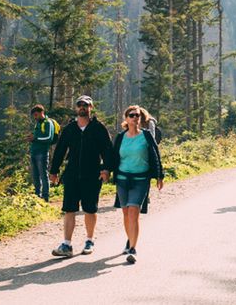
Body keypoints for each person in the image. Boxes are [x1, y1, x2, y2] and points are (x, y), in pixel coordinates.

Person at [48, 95, 114, 258]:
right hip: (71, 174)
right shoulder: (70, 129)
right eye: (80, 105)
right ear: (76, 108)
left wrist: (106, 169)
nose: (82, 107)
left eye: (86, 105)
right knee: (69, 209)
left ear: (91, 108)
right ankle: (67, 245)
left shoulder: (99, 128)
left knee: (90, 209)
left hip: (92, 175)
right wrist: (54, 171)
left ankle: (89, 241)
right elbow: (60, 150)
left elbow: (107, 150)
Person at [111, 105, 164, 264]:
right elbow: (113, 157)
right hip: (122, 179)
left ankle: (133, 248)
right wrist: (106, 171)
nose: (135, 118)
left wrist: (159, 175)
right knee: (126, 213)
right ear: (126, 119)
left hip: (141, 180)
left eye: (138, 115)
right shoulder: (120, 137)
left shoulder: (146, 136)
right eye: (132, 115)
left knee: (134, 211)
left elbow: (155, 155)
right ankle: (129, 240)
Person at [27, 104, 57, 201]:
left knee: (43, 174)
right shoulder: (38, 123)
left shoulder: (48, 123)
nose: (35, 117)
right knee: (35, 175)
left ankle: (45, 196)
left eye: (36, 115)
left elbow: (49, 138)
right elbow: (37, 137)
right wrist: (32, 138)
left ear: (42, 113)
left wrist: (35, 138)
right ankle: (37, 195)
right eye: (34, 116)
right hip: (34, 152)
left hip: (42, 153)